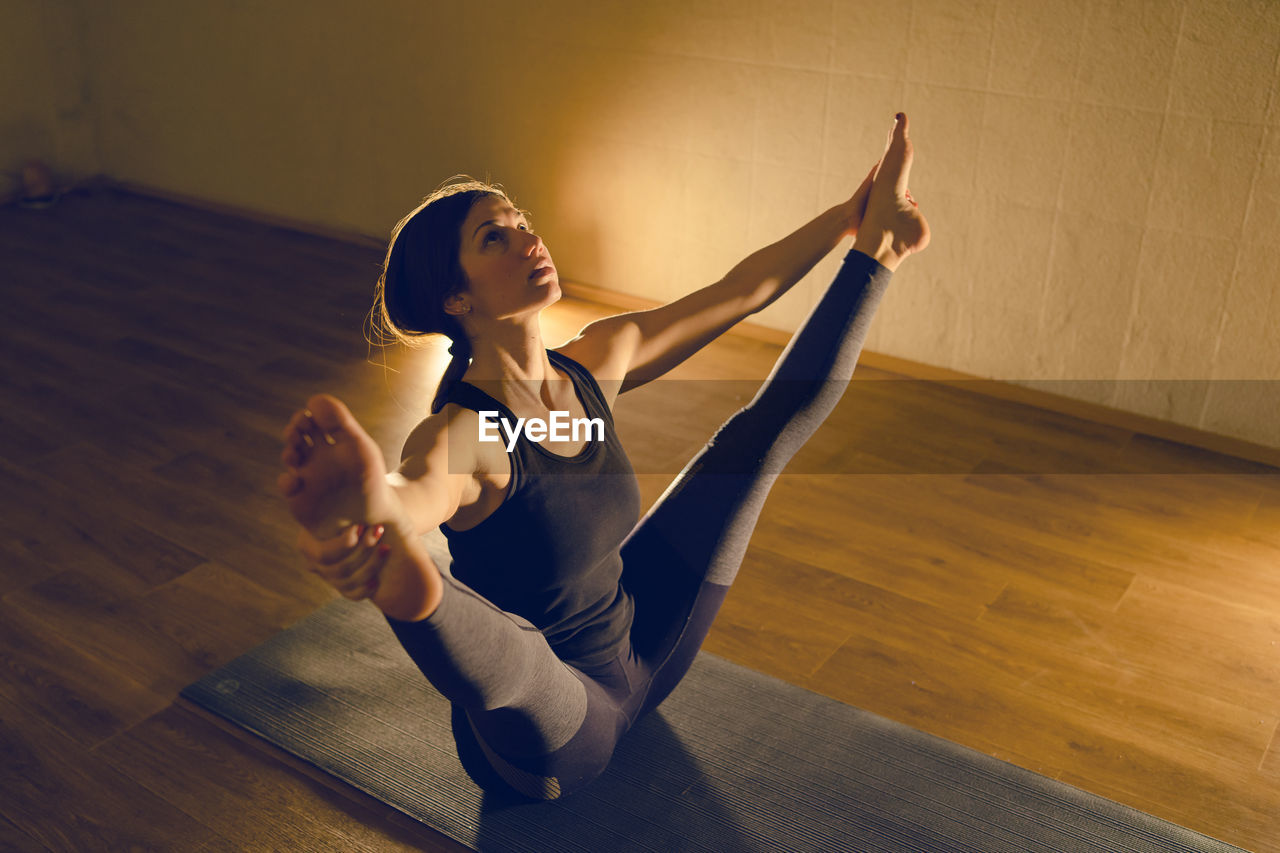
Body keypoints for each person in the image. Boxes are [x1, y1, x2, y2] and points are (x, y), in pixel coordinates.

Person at [277, 113, 930, 800]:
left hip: (645, 650)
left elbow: (739, 291)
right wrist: (378, 510)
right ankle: (407, 585)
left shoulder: (596, 360)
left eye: (521, 220)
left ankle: (882, 256)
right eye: (493, 237)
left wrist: (856, 225)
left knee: (753, 441)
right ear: (455, 296)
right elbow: (417, 486)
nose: (529, 238)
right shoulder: (469, 433)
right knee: (524, 654)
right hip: (552, 732)